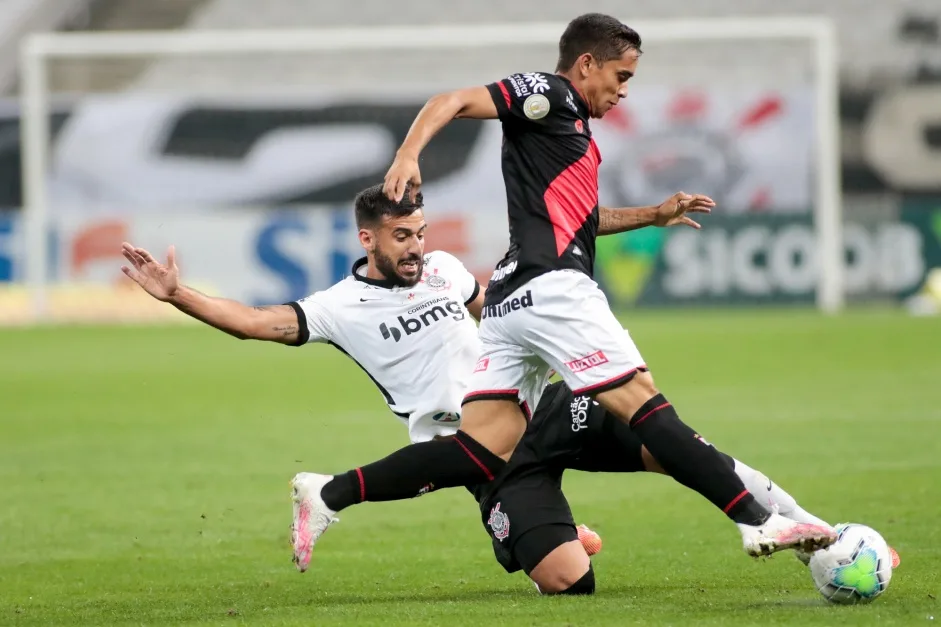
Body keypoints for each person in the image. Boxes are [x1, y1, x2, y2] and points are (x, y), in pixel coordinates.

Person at [292, 12, 837, 569]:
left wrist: (653, 213)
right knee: (645, 407)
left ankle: (328, 493)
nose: (623, 91)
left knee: (480, 451)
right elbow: (451, 101)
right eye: (621, 76)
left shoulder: (568, 132)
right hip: (551, 287)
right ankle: (758, 521)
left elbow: (578, 219)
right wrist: (408, 155)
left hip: (508, 301)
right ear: (586, 64)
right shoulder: (549, 94)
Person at [119, 184, 847, 596]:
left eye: (421, 232)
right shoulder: (338, 306)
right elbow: (254, 322)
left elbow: (522, 280)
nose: (416, 246)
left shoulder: (443, 271)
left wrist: (646, 217)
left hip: (544, 407)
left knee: (679, 442)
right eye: (401, 236)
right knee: (569, 582)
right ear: (368, 238)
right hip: (476, 454)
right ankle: (553, 530)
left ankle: (816, 534)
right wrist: (178, 293)